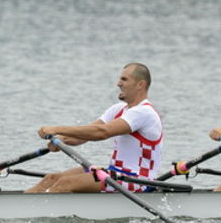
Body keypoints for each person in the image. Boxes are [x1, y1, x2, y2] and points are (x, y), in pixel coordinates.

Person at [25, 63, 163, 193]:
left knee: (65, 184)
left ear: (140, 84)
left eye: (124, 79)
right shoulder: (118, 109)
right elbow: (87, 133)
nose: (118, 83)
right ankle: (24, 205)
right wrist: (62, 139)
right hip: (116, 174)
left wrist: (57, 129)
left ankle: (40, 208)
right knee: (52, 178)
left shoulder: (144, 112)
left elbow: (102, 132)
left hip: (137, 181)